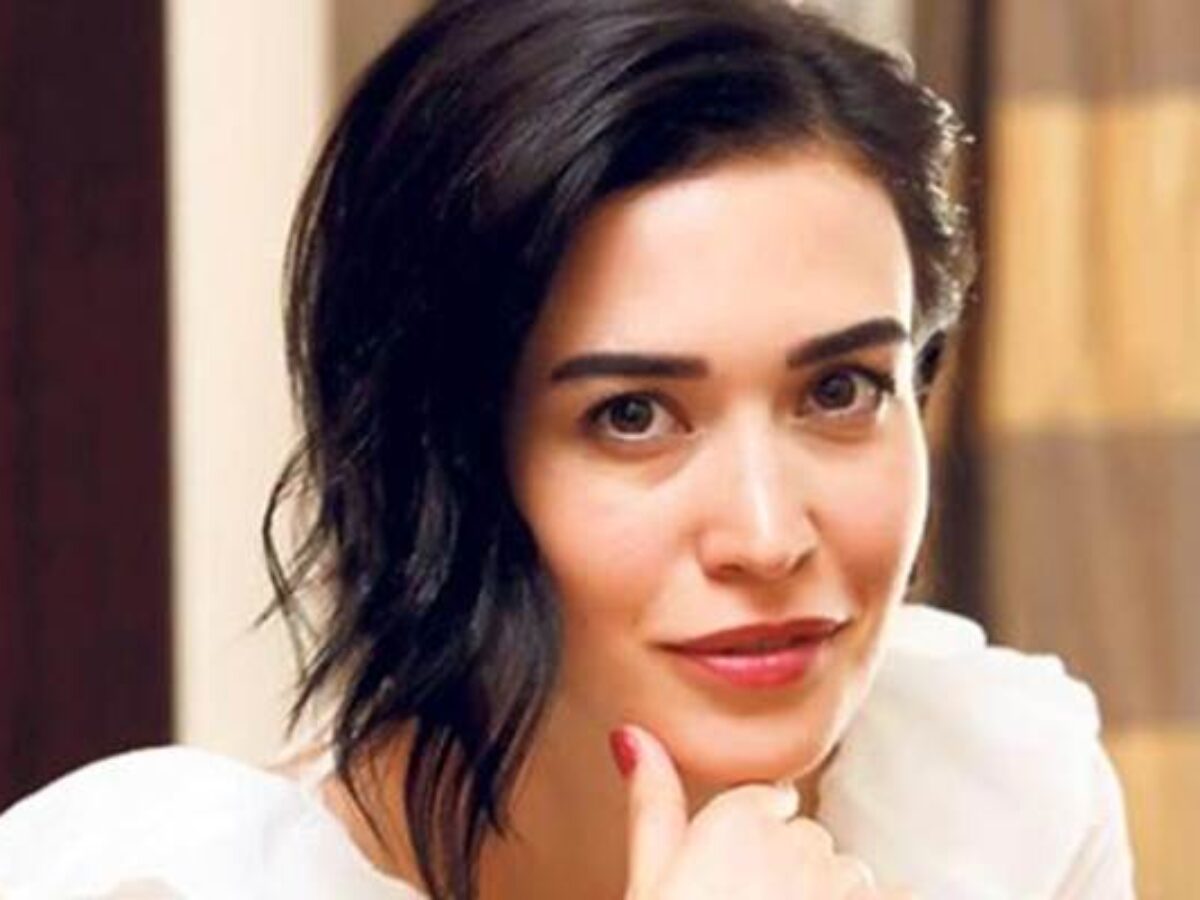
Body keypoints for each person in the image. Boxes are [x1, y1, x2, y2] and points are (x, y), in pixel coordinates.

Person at [0, 0, 1136, 897]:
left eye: (840, 391)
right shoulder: (154, 881)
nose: (766, 535)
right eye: (631, 414)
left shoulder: (1000, 801)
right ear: (443, 463)